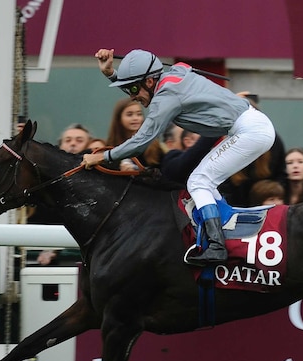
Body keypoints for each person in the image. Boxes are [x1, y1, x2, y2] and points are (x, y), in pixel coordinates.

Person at [82, 48, 275, 266]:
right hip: (251, 126)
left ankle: (217, 247)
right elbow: (150, 86)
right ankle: (224, 233)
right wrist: (111, 74)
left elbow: (140, 142)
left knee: (198, 181)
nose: (133, 97)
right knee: (205, 183)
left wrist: (102, 157)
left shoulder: (167, 96)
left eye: (134, 88)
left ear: (151, 81)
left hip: (249, 131)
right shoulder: (173, 75)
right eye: (128, 89)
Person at [105, 98, 165, 170]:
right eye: (129, 115)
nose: (135, 118)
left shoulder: (153, 145)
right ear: (119, 118)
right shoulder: (110, 146)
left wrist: (136, 169)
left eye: (139, 114)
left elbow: (162, 171)